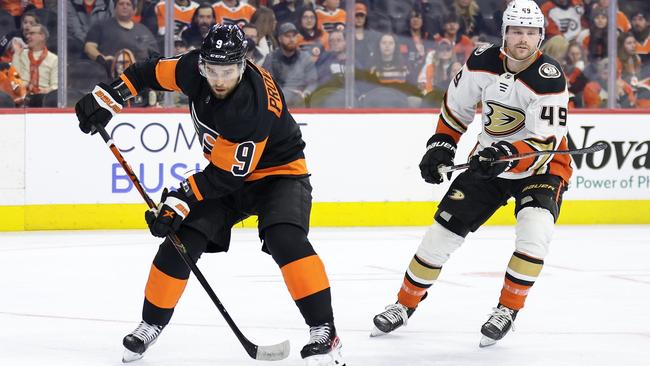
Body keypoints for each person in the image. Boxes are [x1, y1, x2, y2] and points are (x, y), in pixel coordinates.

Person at [74, 24, 345, 366]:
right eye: (212, 70)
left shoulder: (250, 106)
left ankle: (324, 330)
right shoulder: (192, 69)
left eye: (227, 71)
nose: (218, 79)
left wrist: (180, 199)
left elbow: (225, 177)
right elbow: (146, 73)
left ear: (242, 66)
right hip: (227, 174)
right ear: (202, 64)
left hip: (279, 174)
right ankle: (150, 324)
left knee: (284, 237)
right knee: (181, 238)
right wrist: (109, 96)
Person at [371, 0, 573, 348]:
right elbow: (456, 107)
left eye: (530, 32)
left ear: (540, 36)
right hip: (489, 162)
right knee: (440, 235)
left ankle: (507, 310)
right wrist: (441, 145)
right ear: (504, 33)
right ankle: (404, 304)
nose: (522, 39)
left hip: (541, 167)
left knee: (534, 232)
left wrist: (506, 154)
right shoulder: (481, 62)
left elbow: (545, 142)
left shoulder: (549, 79)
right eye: (516, 31)